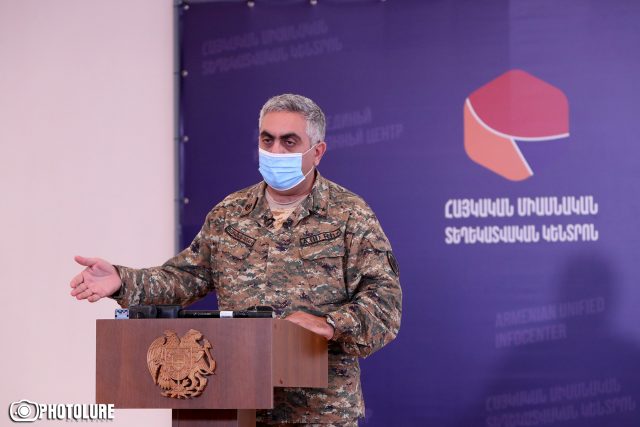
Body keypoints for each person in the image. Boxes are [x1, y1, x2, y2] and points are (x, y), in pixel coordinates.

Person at [70, 94, 402, 426]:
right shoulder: (230, 212)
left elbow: (384, 303)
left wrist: (330, 324)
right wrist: (122, 280)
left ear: (317, 151)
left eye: (289, 142)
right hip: (234, 403)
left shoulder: (349, 215)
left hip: (318, 412)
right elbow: (185, 277)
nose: (275, 151)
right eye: (267, 140)